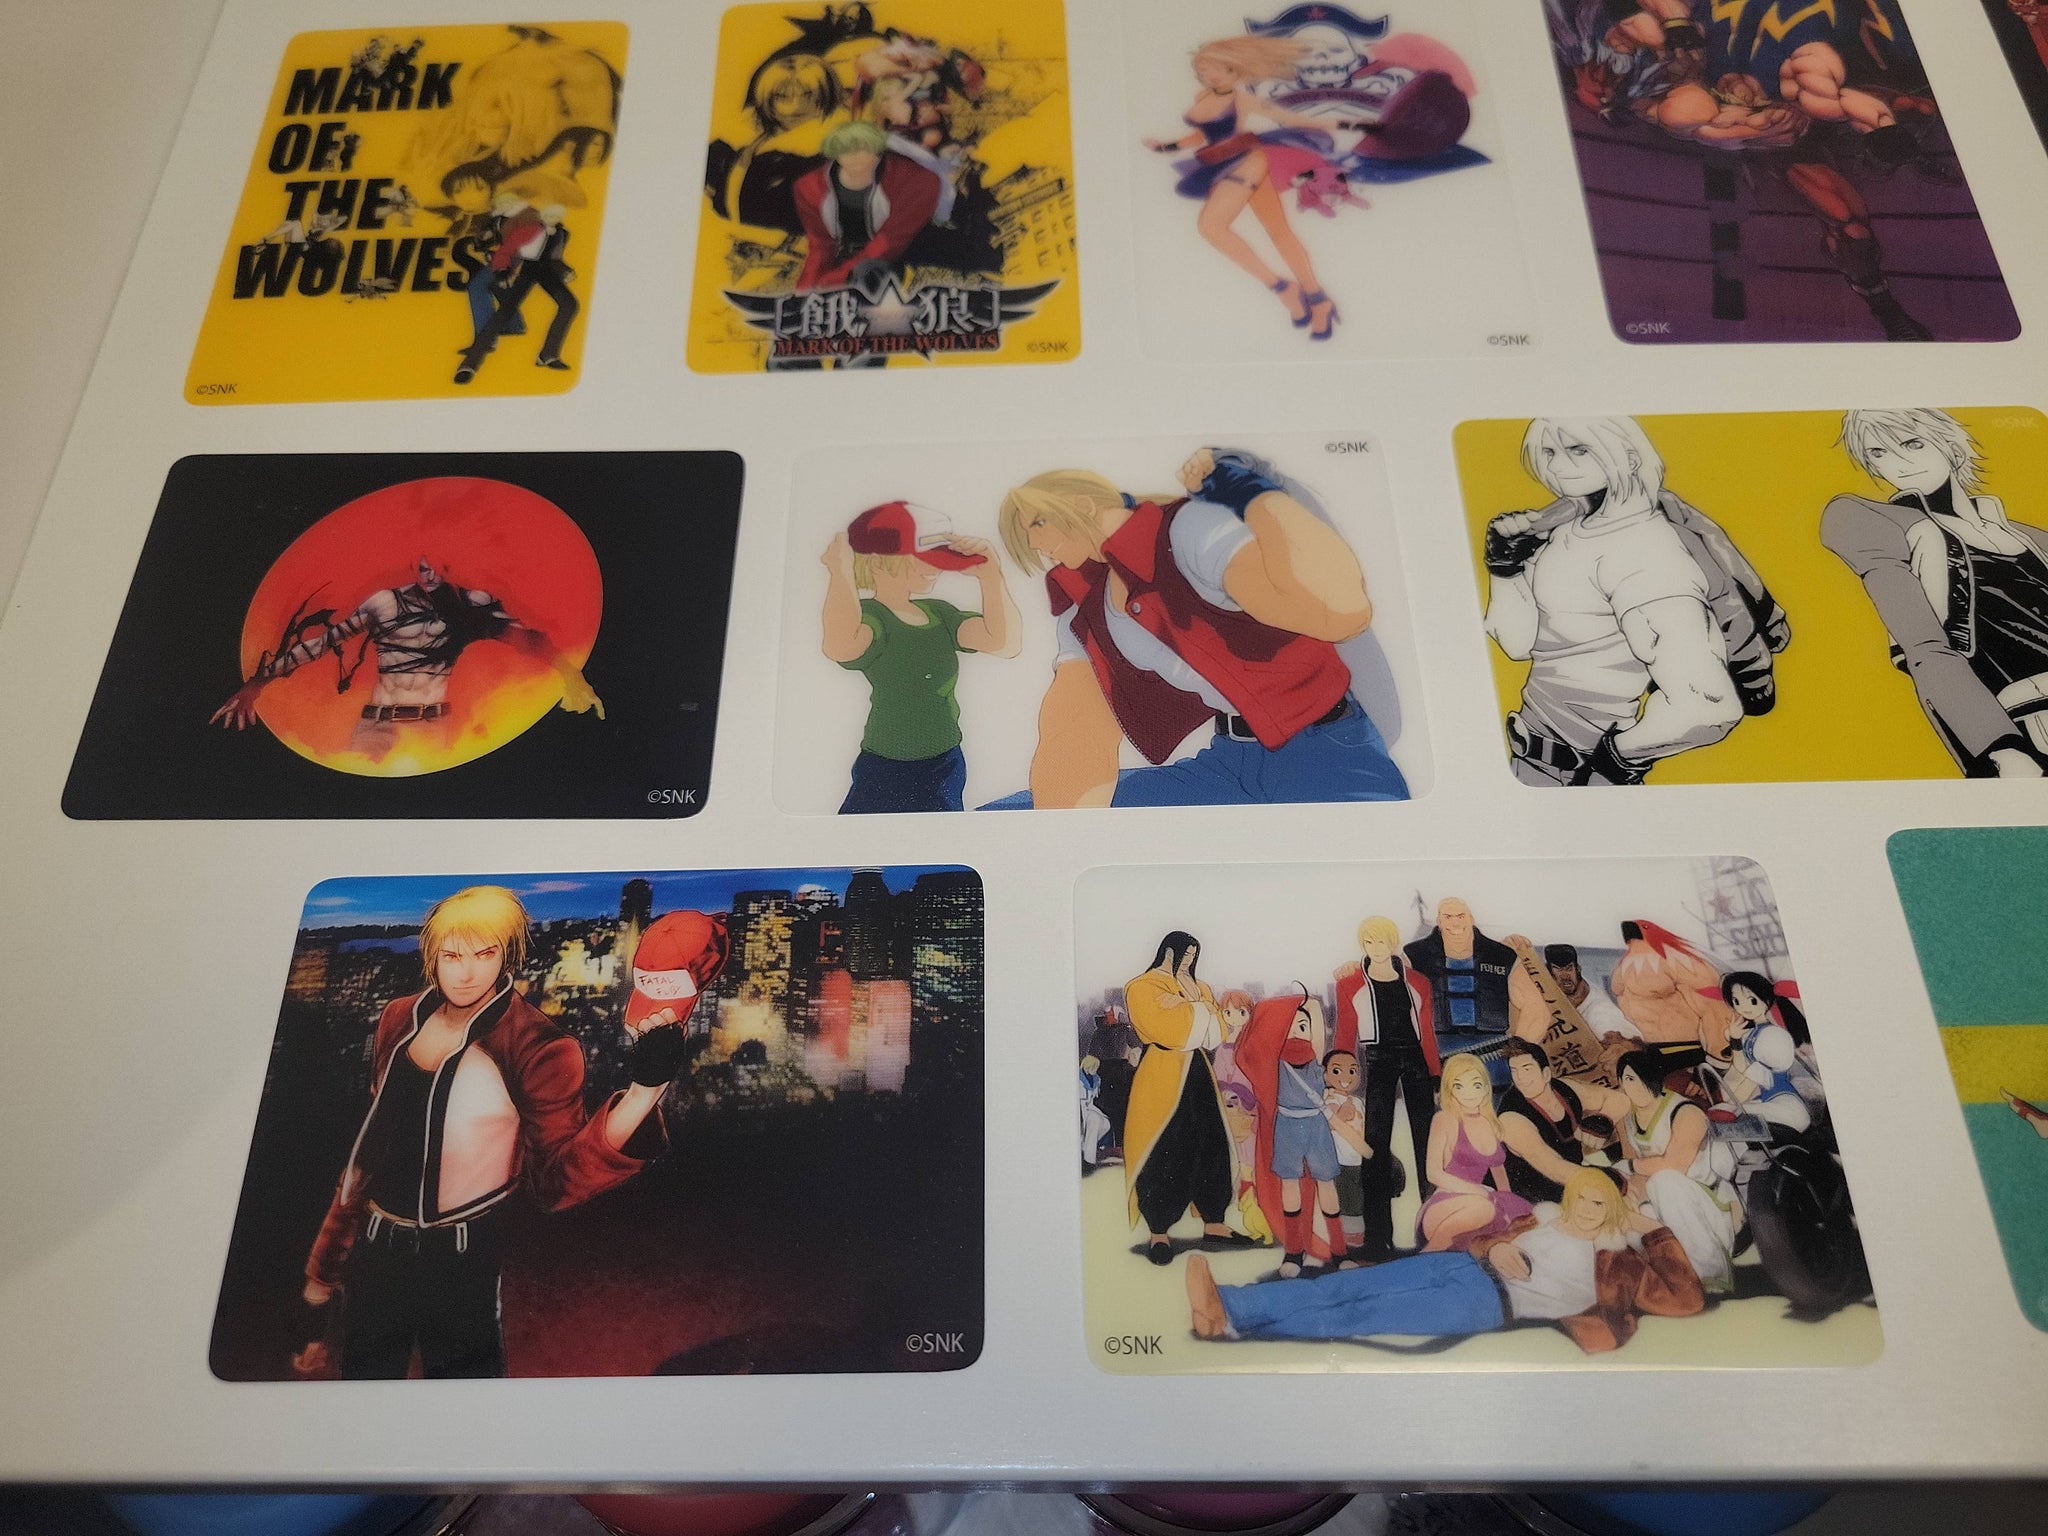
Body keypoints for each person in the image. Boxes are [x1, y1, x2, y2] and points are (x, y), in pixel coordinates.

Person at [294, 893, 728, 1378]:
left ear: (507, 955)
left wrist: (644, 1094)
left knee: (467, 1400)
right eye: (451, 955)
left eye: (485, 954)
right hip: (375, 1253)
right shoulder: (399, 1019)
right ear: (432, 955)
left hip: (462, 1259)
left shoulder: (537, 1044)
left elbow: (558, 1181)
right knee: (364, 1394)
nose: (466, 973)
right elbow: (368, 1156)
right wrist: (319, 1280)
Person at [994, 448, 1407, 808]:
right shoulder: (1084, 603)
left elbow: (1341, 614)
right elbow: (1074, 732)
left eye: (1037, 524)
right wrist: (1062, 841)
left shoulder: (1189, 530)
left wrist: (1252, 494)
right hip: (1229, 763)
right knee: (1007, 816)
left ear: (1083, 505)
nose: (1033, 544)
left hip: (1327, 754)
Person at [1484, 416, 1785, 786]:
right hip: (1530, 764)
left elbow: (1710, 707)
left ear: (1629, 456)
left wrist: (1611, 765)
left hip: (1580, 775)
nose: (1559, 466)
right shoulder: (1564, 531)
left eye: (1579, 450)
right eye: (1549, 452)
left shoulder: (1644, 553)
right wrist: (1504, 568)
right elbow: (1518, 645)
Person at [1185, 1165, 1705, 1354]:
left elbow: (1686, 1299)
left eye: (1600, 1203)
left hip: (1489, 1304)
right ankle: (1229, 1305)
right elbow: (1485, 1240)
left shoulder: (1617, 1261)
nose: (1588, 1209)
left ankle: (1238, 1329)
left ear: (1615, 1209)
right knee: (1345, 1286)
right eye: (1584, 1197)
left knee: (1364, 1314)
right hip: (1461, 1266)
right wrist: (1495, 1246)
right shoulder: (1545, 1218)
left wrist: (1651, 1229)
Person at [1824, 407, 2048, 778]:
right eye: (1878, 453)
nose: (1899, 464)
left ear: (1952, 448)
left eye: (1913, 444)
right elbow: (1925, 646)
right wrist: (1999, 746)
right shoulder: (1883, 525)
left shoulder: (2033, 538)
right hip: (2028, 725)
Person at [210, 555, 603, 763]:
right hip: (375, 726)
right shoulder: (385, 602)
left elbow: (530, 641)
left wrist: (573, 677)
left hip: (432, 727)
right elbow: (322, 644)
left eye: (437, 564)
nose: (429, 573)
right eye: (421, 564)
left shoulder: (472, 604)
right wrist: (255, 685)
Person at [1143, 37, 1365, 339]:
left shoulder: (1242, 99)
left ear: (1235, 70)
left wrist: (1347, 126)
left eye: (1219, 69)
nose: (1212, 76)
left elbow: (1289, 118)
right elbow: (1200, 135)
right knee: (1279, 231)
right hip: (1218, 164)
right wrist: (1166, 146)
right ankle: (1317, 299)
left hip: (1247, 161)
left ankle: (1282, 288)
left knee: (1210, 226)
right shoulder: (1201, 97)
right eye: (1205, 70)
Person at [821, 501, 1018, 814]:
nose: (936, 568)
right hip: (884, 765)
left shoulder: (939, 613)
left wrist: (991, 578)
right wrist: (840, 571)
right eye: (923, 559)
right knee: (864, 843)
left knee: (943, 843)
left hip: (944, 763)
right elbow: (841, 646)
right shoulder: (873, 617)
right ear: (878, 562)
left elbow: (1003, 642)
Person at [1122, 932, 1247, 1264]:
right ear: (1168, 951)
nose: (1189, 960)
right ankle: (1159, 1231)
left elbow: (1214, 1034)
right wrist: (1199, 1011)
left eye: (1193, 955)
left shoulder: (1199, 987)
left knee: (1213, 1143)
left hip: (1198, 1071)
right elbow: (1171, 1032)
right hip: (1162, 1072)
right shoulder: (1142, 987)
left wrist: (1190, 1008)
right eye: (1185, 954)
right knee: (1165, 1148)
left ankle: (1215, 1222)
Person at [1333, 915, 1439, 1260]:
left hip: (1416, 1061)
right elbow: (1344, 1036)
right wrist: (1340, 1087)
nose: (1375, 948)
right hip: (1377, 1061)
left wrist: (1435, 1076)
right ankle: (1378, 1239)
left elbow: (1427, 1032)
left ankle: (1435, 1229)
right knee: (1374, 1148)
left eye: (1381, 941)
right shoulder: (1350, 984)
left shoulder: (1418, 982)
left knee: (1428, 1143)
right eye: (1369, 942)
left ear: (1393, 943)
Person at [1235, 990, 1354, 1276]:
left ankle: (1339, 1251)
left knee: (1326, 1184)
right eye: (1289, 1027)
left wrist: (1307, 1002)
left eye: (1302, 1026)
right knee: (1290, 1187)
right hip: (1287, 1128)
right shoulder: (1272, 1063)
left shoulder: (1316, 1060)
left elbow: (1315, 1021)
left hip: (1316, 1127)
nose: (1297, 1033)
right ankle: (1293, 1251)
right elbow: (1251, 1046)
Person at [1612, 1049, 1739, 1293]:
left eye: (1639, 1078)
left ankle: (1713, 1277)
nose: (1634, 1087)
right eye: (1627, 1079)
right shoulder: (1627, 1118)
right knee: (1633, 1217)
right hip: (1662, 1203)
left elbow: (1675, 1165)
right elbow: (1633, 1171)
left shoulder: (1686, 1112)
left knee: (1664, 1181)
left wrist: (1630, 1166)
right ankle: (1677, 1285)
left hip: (1710, 1206)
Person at [790, 120, 944, 292]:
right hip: (847, 256)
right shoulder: (809, 187)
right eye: (844, 149)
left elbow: (889, 242)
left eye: (863, 148)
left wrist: (832, 280)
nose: (854, 156)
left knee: (869, 275)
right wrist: (804, 289)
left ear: (877, 150)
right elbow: (820, 245)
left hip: (892, 256)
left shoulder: (915, 181)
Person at [1416, 1053, 1535, 1252]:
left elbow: (1499, 1173)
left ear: (1486, 1087)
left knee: (1529, 1218)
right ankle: (1429, 1253)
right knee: (1484, 1208)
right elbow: (1433, 1174)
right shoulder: (1445, 1119)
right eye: (1459, 1086)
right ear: (1449, 1090)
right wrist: (1478, 1192)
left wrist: (1510, 1206)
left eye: (1476, 1085)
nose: (1469, 1093)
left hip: (1483, 1202)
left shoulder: (1491, 1122)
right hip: (1445, 1206)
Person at [455, 201, 580, 383]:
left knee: (569, 304)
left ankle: (548, 354)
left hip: (544, 271)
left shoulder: (560, 234)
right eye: (548, 216)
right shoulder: (529, 230)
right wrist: (502, 272)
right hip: (525, 270)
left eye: (556, 217)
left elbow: (554, 258)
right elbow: (506, 251)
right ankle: (469, 365)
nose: (552, 219)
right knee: (504, 312)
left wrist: (565, 271)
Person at [1608, 920, 1736, 1054]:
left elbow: (1712, 1006)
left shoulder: (1679, 962)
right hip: (1650, 1047)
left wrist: (1718, 1047)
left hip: (1689, 1046)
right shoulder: (1622, 968)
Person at [1403, 898, 1517, 1046]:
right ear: (1439, 921)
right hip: (1435, 1046)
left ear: (1471, 919)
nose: (1455, 923)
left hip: (1492, 1047)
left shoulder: (1502, 955)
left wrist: (1517, 1050)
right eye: (1448, 917)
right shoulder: (1413, 956)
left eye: (1461, 916)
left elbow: (1534, 1009)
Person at [1496, 1039, 1597, 1205]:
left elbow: (1619, 1101)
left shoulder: (1563, 1089)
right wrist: (1602, 1180)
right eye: (1514, 1071)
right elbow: (1555, 1169)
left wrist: (1603, 1122)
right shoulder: (1511, 1118)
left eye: (1527, 1069)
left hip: (1576, 1180)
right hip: (1536, 1202)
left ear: (1546, 1074)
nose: (1520, 1078)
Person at [1716, 972, 1813, 1135]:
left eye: (1752, 1000)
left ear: (1766, 1000)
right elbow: (1742, 1067)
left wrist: (1733, 1105)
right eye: (1737, 1001)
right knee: (1728, 1112)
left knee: (1734, 1114)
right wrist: (1735, 1040)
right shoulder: (1750, 1034)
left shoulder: (1773, 1036)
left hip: (1787, 1109)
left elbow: (1752, 1080)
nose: (1744, 1007)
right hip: (1768, 1102)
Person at [1322, 1048, 1370, 1255]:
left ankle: (1356, 1233)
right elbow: (1326, 1124)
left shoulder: (1358, 1101)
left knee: (1358, 1196)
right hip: (1340, 1159)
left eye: (1352, 1071)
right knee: (1347, 1197)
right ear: (1325, 1075)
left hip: (1359, 1158)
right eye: (1336, 1071)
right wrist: (1340, 1115)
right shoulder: (1327, 1099)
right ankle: (1348, 1235)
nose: (1345, 1077)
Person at [1543, 943, 1637, 1041]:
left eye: (1569, 968)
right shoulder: (1548, 989)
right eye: (1558, 970)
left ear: (1578, 969)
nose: (1565, 976)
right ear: (1549, 972)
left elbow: (1625, 1036)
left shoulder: (1599, 1010)